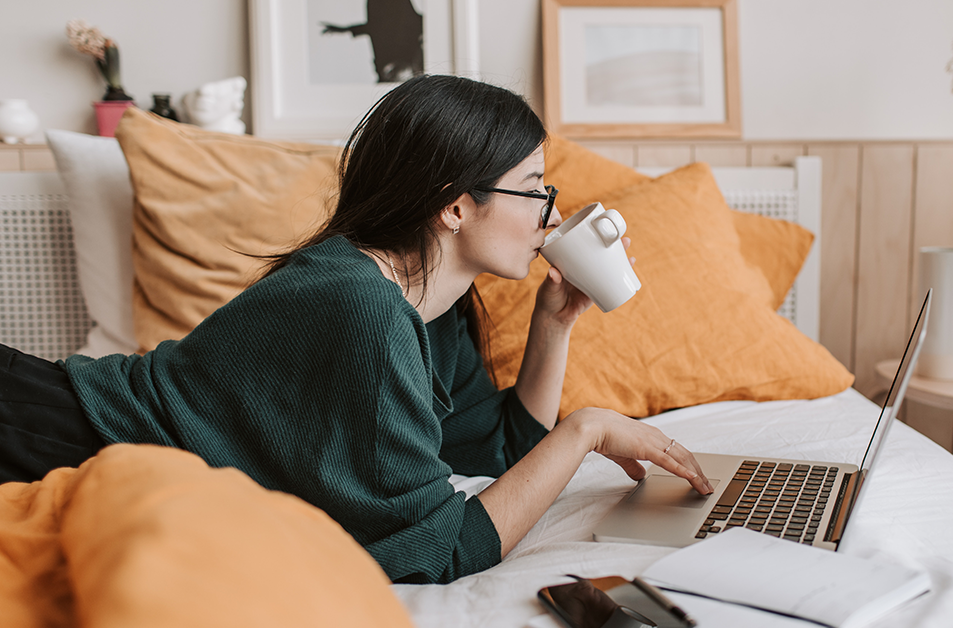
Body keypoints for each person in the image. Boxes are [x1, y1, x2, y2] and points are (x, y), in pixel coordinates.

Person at [0, 75, 711, 584]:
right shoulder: (362, 310)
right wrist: (583, 430)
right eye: (535, 190)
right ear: (454, 206)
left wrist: (554, 325)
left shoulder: (432, 302)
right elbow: (444, 550)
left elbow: (492, 452)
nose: (551, 217)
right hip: (54, 433)